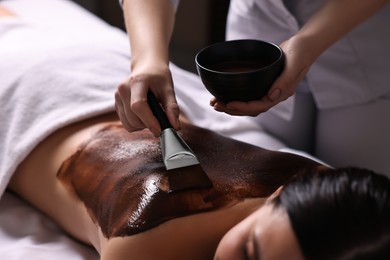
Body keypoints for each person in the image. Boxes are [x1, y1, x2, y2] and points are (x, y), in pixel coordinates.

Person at [1, 0, 389, 259]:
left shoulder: (339, 203)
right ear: (280, 194)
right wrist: (149, 60)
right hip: (33, 83)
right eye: (249, 253)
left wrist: (308, 42)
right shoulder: (145, 245)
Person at [115, 0, 390, 177]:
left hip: (362, 38)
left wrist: (309, 42)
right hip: (261, 25)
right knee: (272, 176)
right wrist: (147, 61)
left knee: (358, 198)